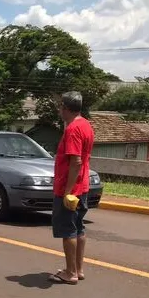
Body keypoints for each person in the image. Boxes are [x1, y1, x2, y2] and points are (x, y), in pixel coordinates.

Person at [49, 91, 95, 285]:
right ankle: (78, 269)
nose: (60, 110)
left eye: (61, 107)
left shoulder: (73, 129)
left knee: (68, 229)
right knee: (78, 228)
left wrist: (67, 191)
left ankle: (70, 272)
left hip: (70, 189)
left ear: (66, 108)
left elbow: (75, 161)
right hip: (82, 186)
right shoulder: (86, 124)